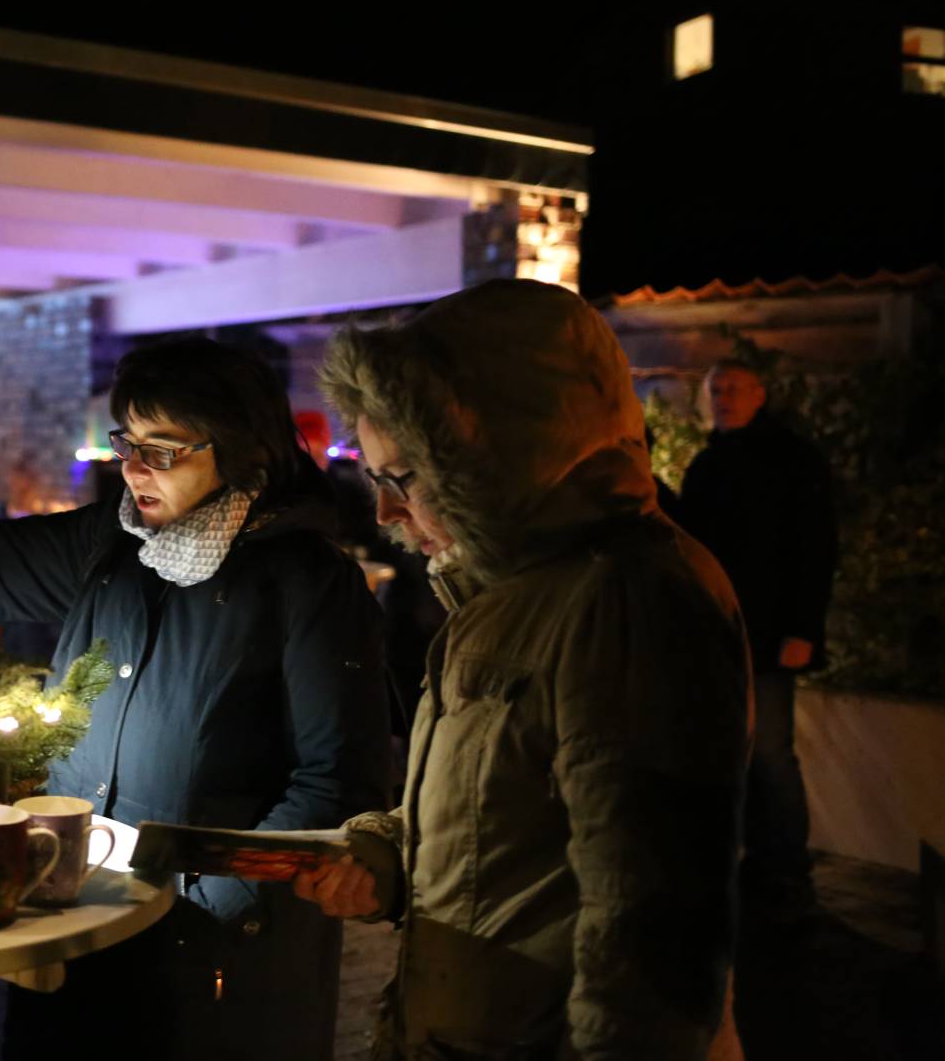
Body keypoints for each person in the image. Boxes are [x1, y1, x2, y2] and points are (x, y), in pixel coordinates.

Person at [0, 338, 390, 1060]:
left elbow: (335, 779)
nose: (133, 468)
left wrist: (215, 900)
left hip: (208, 948)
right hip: (71, 913)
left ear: (243, 453)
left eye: (163, 449)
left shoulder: (306, 581)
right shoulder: (113, 544)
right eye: (128, 443)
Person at [297, 280, 751, 1059]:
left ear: (498, 456)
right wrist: (383, 854)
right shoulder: (509, 591)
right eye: (376, 479)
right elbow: (499, 826)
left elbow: (648, 932)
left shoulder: (626, 601)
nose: (384, 514)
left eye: (402, 477)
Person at [674, 358, 838, 919]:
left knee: (770, 753)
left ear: (759, 394)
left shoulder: (791, 461)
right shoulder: (706, 465)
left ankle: (788, 870)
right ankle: (753, 862)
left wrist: (803, 629)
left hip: (770, 636)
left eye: (735, 388)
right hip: (720, 635)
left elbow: (814, 550)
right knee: (735, 753)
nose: (724, 397)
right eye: (716, 389)